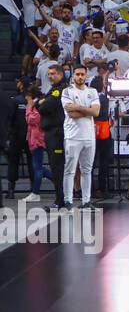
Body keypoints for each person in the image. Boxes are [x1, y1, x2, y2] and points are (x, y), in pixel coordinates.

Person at [60, 64, 100, 209]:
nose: (80, 77)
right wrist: (87, 110)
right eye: (77, 74)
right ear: (73, 75)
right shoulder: (66, 92)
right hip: (72, 136)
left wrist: (78, 107)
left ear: (86, 75)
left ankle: (86, 201)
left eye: (82, 74)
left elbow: (96, 112)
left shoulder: (93, 91)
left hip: (89, 136)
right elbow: (72, 114)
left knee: (87, 170)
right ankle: (68, 200)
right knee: (70, 170)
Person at [37, 65, 69, 209]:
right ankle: (61, 198)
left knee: (57, 167)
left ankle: (60, 200)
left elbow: (44, 107)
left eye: (53, 74)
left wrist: (40, 102)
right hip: (52, 133)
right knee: (56, 167)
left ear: (61, 74)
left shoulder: (58, 90)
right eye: (49, 74)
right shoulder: (54, 89)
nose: (50, 76)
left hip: (56, 133)